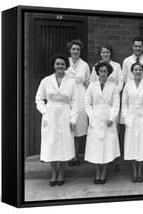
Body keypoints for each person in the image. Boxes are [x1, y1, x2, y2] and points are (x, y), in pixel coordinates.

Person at [35, 55, 78, 186]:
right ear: (53, 65)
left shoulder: (71, 82)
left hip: (65, 113)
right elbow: (39, 99)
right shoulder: (46, 81)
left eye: (63, 64)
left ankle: (62, 173)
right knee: (51, 143)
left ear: (66, 66)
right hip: (51, 114)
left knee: (64, 144)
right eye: (58, 64)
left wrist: (73, 119)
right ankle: (54, 172)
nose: (60, 66)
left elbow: (75, 102)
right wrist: (45, 112)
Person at [84, 62, 121, 184]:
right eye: (101, 71)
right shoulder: (92, 86)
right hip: (95, 118)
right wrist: (91, 116)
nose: (103, 74)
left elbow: (116, 105)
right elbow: (87, 103)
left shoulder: (113, 87)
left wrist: (112, 118)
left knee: (107, 147)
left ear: (108, 73)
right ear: (97, 72)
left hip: (108, 119)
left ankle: (103, 174)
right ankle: (97, 173)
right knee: (96, 147)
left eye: (105, 72)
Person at [122, 62, 143, 183]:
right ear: (132, 71)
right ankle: (134, 172)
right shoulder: (127, 86)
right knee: (131, 145)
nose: (138, 72)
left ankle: (140, 172)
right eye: (135, 69)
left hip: (142, 119)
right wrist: (126, 117)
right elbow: (124, 103)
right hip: (131, 119)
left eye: (140, 69)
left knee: (142, 145)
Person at [66, 39, 90, 166]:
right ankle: (67, 156)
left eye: (78, 49)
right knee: (67, 126)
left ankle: (75, 156)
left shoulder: (85, 65)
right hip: (67, 95)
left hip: (80, 95)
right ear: (70, 50)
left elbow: (87, 82)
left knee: (79, 127)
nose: (76, 51)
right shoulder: (65, 62)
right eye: (74, 49)